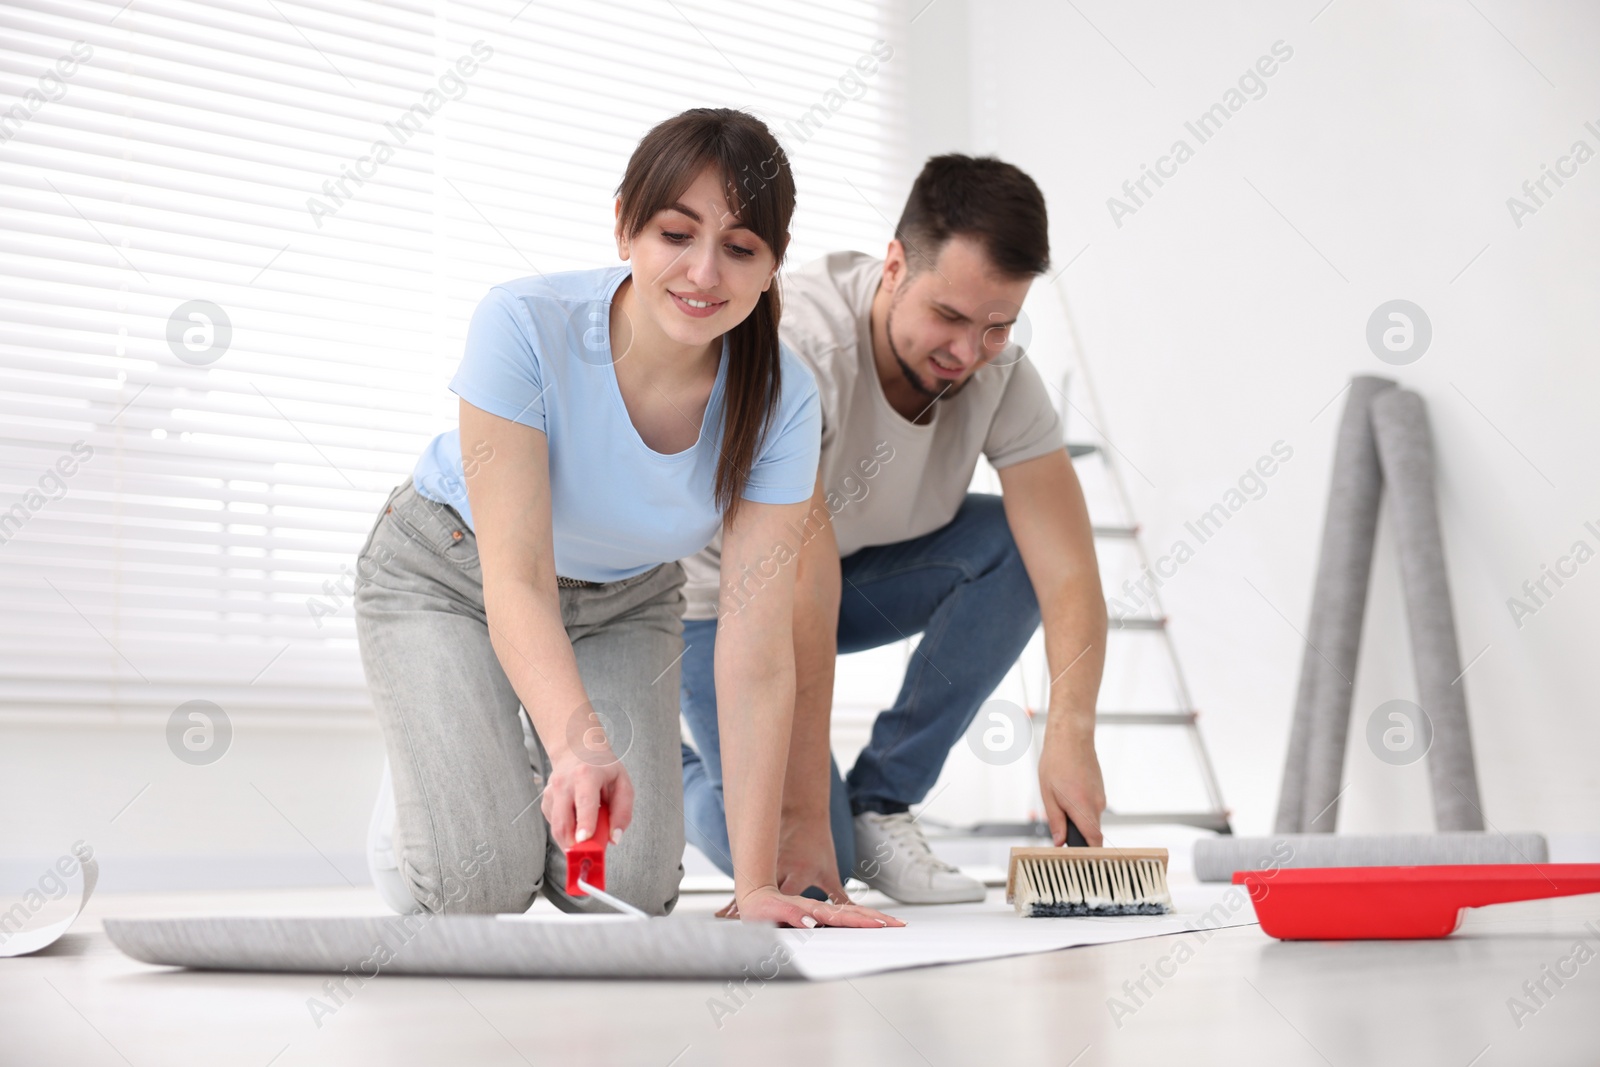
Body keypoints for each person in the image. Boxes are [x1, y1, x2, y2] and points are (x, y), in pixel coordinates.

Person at [355, 107, 899, 930]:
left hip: (624, 600)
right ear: (624, 228)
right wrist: (578, 741)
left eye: (741, 249)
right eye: (676, 234)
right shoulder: (522, 324)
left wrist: (754, 886)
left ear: (771, 266)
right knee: (476, 885)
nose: (704, 272)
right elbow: (518, 577)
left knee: (624, 892)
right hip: (452, 574)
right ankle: (441, 781)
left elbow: (756, 649)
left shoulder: (782, 398)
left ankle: (507, 755)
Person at [679, 154, 1109, 905]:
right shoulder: (799, 349)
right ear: (895, 266)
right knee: (807, 858)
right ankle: (650, 772)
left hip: (844, 579)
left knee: (1013, 547)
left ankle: (881, 801)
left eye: (997, 326)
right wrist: (805, 816)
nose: (968, 352)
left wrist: (1070, 733)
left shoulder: (999, 378)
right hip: (722, 604)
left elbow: (1068, 568)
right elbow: (798, 589)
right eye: (948, 316)